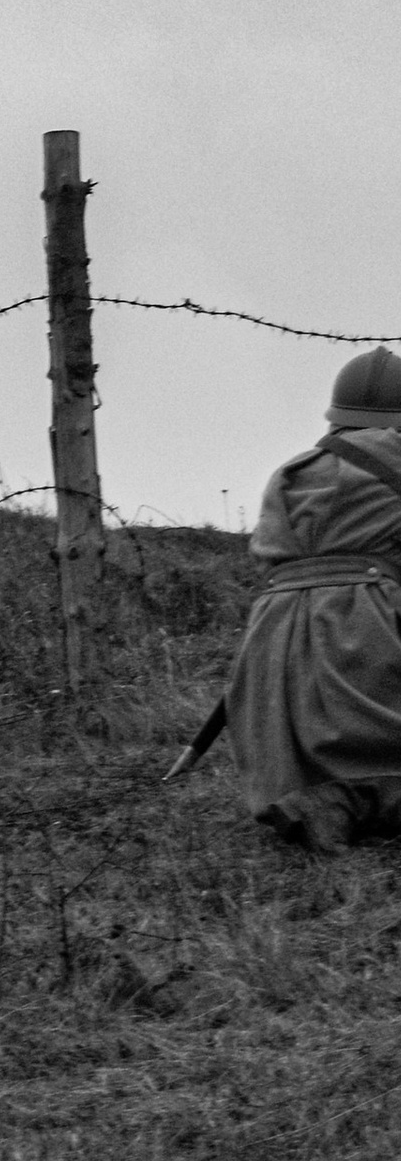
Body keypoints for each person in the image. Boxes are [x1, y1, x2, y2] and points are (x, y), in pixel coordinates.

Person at [225, 345, 401, 854]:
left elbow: (270, 558)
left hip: (271, 648)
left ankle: (321, 799)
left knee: (313, 757)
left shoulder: (292, 473)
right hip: (368, 628)